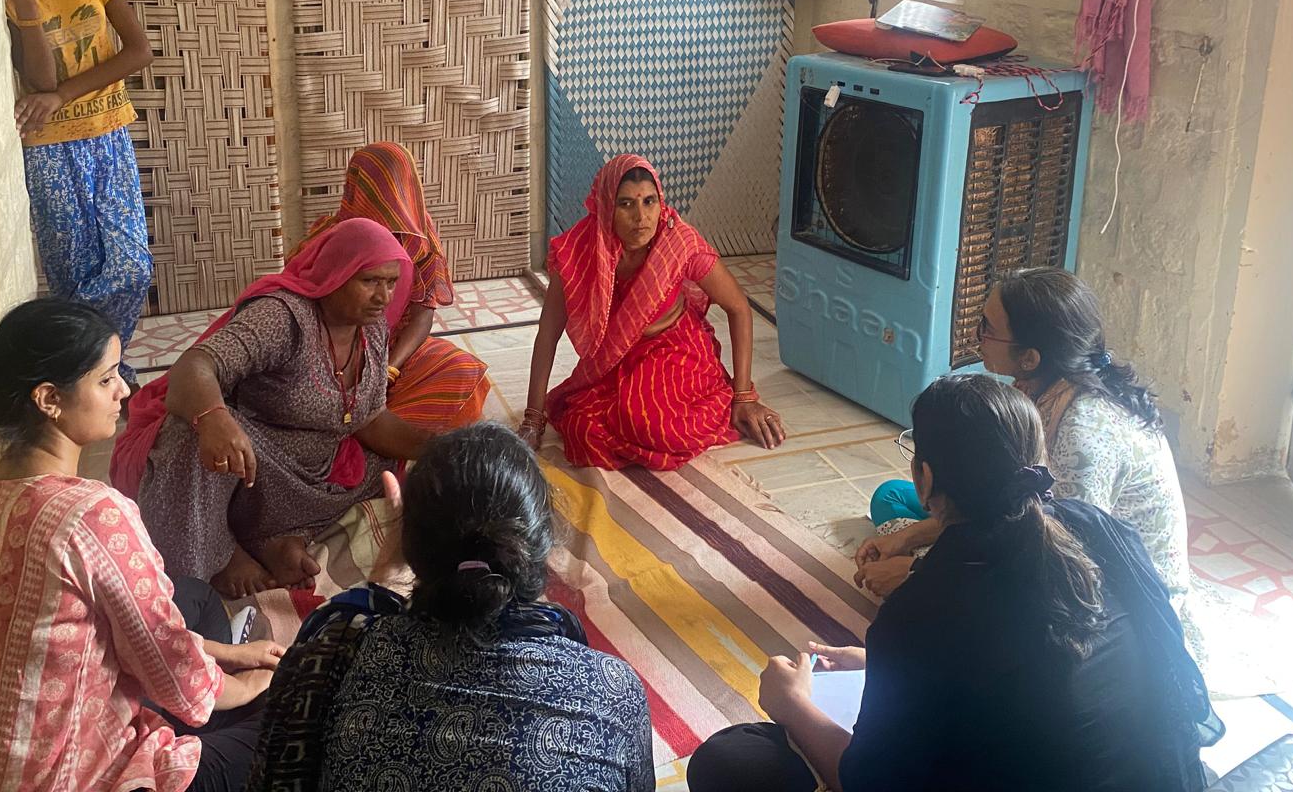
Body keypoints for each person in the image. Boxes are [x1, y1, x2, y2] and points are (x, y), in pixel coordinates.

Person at [688, 374, 1222, 792]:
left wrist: (792, 703)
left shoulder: (922, 610)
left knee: (730, 761)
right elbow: (1043, 665)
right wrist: (884, 665)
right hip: (1162, 777)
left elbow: (869, 780)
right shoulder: (1094, 526)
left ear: (924, 479)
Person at [0, 298, 283, 792]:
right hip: (64, 778)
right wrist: (247, 685)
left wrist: (227, 654)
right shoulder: (92, 514)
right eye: (106, 379)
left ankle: (216, 693)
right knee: (290, 716)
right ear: (49, 399)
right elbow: (172, 673)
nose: (124, 391)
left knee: (193, 596)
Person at [246, 422, 655, 791]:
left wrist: (386, 574)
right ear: (539, 545)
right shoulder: (613, 694)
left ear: (414, 548)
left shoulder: (337, 649)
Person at [861, 268, 1201, 656]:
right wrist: (906, 538)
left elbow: (1063, 560)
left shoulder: (1082, 432)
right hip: (1040, 525)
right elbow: (1000, 499)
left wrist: (916, 576)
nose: (977, 336)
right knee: (893, 496)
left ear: (1029, 357)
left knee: (947, 575)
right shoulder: (1048, 386)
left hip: (1112, 595)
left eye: (987, 328)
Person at [115, 218, 435, 599]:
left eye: (390, 283)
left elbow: (367, 419)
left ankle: (276, 540)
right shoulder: (283, 318)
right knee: (189, 435)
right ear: (335, 274)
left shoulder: (372, 330)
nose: (383, 297)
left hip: (311, 475)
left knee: (394, 472)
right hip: (253, 468)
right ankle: (215, 559)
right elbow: (195, 366)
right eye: (369, 281)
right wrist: (214, 418)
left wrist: (440, 446)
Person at [0, 0, 155, 389]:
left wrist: (63, 94)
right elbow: (37, 77)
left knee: (132, 266)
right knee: (73, 275)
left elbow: (138, 51)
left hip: (108, 133)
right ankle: (92, 374)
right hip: (48, 146)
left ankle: (100, 359)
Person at [520, 154, 784, 469]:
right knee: (582, 428)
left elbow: (739, 307)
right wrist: (533, 419)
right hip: (615, 361)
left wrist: (743, 396)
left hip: (675, 350)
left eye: (649, 201)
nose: (641, 217)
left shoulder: (678, 244)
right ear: (606, 206)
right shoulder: (580, 251)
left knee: (656, 424)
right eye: (626, 204)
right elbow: (548, 334)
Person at [287, 141, 492, 430]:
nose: (389, 196)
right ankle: (366, 425)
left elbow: (422, 316)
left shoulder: (420, 242)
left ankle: (373, 424)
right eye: (379, 187)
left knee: (459, 370)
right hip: (333, 357)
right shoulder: (330, 239)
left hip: (393, 350)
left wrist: (388, 370)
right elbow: (300, 309)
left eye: (395, 185)